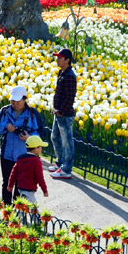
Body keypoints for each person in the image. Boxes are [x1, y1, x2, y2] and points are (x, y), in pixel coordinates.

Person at [0, 86, 45, 205]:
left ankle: (17, 210)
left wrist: (29, 137)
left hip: (24, 155)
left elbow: (40, 134)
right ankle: (6, 209)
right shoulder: (5, 110)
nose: (14, 103)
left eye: (17, 100)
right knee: (7, 182)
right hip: (7, 153)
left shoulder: (32, 113)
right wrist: (6, 126)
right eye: (12, 100)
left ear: (24, 99)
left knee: (20, 184)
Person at [49, 48, 77, 180]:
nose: (57, 60)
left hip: (64, 115)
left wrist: (60, 111)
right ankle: (59, 162)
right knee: (55, 137)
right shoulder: (62, 72)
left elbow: (70, 98)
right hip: (58, 113)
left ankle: (66, 169)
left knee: (67, 143)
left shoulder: (70, 76)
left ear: (67, 60)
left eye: (60, 57)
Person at [7, 135, 49, 204]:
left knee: (23, 205)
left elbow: (14, 173)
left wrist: (10, 185)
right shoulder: (36, 161)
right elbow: (40, 178)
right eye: (40, 147)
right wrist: (45, 190)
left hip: (20, 187)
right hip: (29, 189)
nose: (41, 149)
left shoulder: (21, 158)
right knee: (33, 207)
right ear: (36, 148)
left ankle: (21, 213)